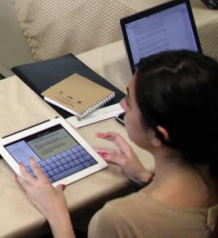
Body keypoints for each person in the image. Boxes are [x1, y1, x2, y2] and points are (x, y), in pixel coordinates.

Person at [17, 50, 218, 238]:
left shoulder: (120, 219)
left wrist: (56, 213)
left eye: (129, 101)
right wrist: (145, 177)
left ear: (159, 136)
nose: (121, 104)